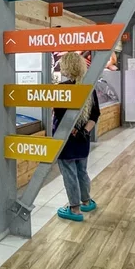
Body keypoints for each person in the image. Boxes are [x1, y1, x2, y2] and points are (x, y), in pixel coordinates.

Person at [53, 52, 100, 222]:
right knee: (82, 171)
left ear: (67, 67)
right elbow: (95, 114)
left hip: (66, 140)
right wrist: (84, 132)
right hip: (83, 139)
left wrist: (73, 132)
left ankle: (74, 209)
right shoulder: (89, 87)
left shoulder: (61, 88)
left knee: (69, 173)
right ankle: (86, 201)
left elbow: (62, 117)